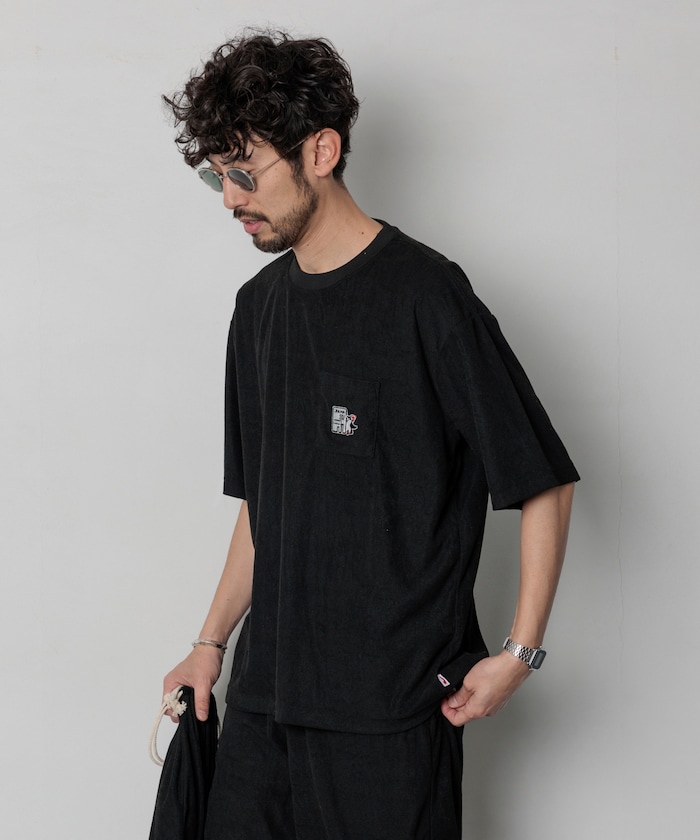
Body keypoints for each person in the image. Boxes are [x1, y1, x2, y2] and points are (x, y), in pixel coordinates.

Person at [160, 29, 579, 840]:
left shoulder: (428, 296)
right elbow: (261, 508)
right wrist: (210, 643)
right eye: (216, 175)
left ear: (321, 152)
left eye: (244, 172)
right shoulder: (258, 310)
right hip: (262, 708)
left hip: (390, 717)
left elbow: (542, 479)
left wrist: (520, 654)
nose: (229, 199)